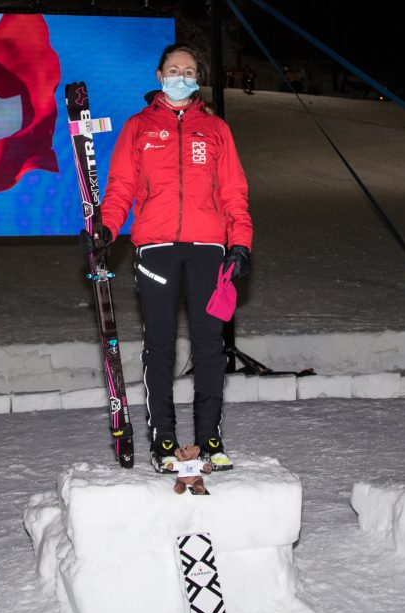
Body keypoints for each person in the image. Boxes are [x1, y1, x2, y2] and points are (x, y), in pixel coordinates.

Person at [93, 43, 253, 474]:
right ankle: (163, 439)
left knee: (209, 348)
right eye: (172, 69)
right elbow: (121, 187)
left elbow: (233, 192)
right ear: (159, 75)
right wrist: (106, 227)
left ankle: (210, 438)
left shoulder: (215, 129)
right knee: (159, 346)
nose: (180, 76)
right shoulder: (139, 127)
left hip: (208, 249)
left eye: (188, 70)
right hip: (156, 248)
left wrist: (240, 243)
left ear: (197, 77)